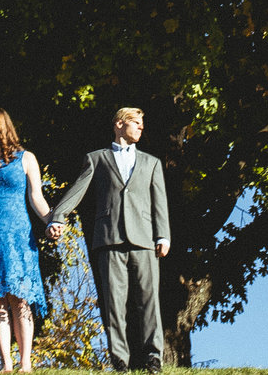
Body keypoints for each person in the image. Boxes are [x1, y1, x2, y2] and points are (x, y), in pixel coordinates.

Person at [47, 106, 170, 371]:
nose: (141, 127)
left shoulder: (151, 163)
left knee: (149, 302)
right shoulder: (97, 159)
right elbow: (78, 190)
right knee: (115, 304)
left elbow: (159, 203)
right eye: (135, 122)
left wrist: (163, 236)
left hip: (145, 240)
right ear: (119, 124)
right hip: (109, 239)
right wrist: (58, 216)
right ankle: (119, 359)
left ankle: (153, 357)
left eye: (141, 123)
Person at [0, 107, 53, 373]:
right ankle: (6, 363)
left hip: (18, 236)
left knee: (20, 298)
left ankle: (25, 363)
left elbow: (36, 197)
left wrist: (52, 221)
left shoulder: (26, 159)